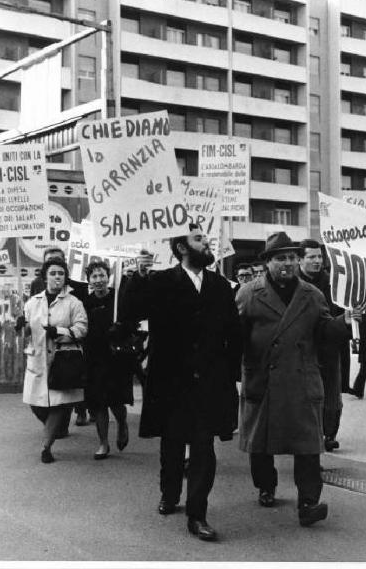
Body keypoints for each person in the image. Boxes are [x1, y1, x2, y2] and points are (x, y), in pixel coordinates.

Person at [121, 224, 242, 542]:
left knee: (204, 447)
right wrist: (136, 275)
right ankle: (170, 492)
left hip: (209, 382)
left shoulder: (219, 285)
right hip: (172, 383)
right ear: (182, 248)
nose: (206, 243)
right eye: (199, 239)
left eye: (205, 238)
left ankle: (197, 513)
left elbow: (233, 331)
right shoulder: (161, 282)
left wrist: (231, 372)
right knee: (173, 444)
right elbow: (132, 312)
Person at [236, 232, 360, 527]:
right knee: (261, 443)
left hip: (301, 378)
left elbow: (325, 333)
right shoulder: (248, 293)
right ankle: (266, 486)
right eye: (281, 258)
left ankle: (309, 502)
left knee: (308, 446)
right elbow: (234, 337)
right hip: (263, 379)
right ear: (267, 262)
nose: (288, 263)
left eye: (292, 257)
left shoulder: (312, 295)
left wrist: (345, 322)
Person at [22, 258, 88, 463]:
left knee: (58, 405)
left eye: (61, 273)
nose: (57, 277)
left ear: (65, 277)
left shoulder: (74, 302)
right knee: (37, 404)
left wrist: (59, 331)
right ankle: (56, 428)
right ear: (45, 277)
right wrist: (21, 326)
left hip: (63, 360)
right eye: (53, 273)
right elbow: (27, 330)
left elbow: (82, 328)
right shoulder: (33, 302)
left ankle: (46, 447)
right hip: (38, 360)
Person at [29, 246, 90, 429]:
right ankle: (54, 423)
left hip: (69, 342)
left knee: (69, 383)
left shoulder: (76, 285)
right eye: (50, 260)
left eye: (58, 260)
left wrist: (64, 331)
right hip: (43, 345)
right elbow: (33, 310)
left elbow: (81, 316)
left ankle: (79, 411)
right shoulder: (36, 285)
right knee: (43, 391)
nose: (56, 274)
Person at [84, 261, 134, 459]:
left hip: (116, 357)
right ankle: (103, 443)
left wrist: (121, 327)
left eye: (101, 275)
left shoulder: (118, 297)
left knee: (115, 402)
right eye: (94, 277)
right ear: (89, 280)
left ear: (108, 277)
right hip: (94, 358)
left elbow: (131, 321)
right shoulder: (85, 302)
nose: (98, 280)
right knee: (99, 403)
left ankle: (122, 423)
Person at [298, 239, 343, 453]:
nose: (317, 261)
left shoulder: (333, 281)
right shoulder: (293, 283)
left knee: (332, 395)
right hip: (302, 350)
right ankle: (310, 436)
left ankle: (329, 434)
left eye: (319, 256)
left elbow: (340, 310)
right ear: (301, 259)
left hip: (329, 347)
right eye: (311, 257)